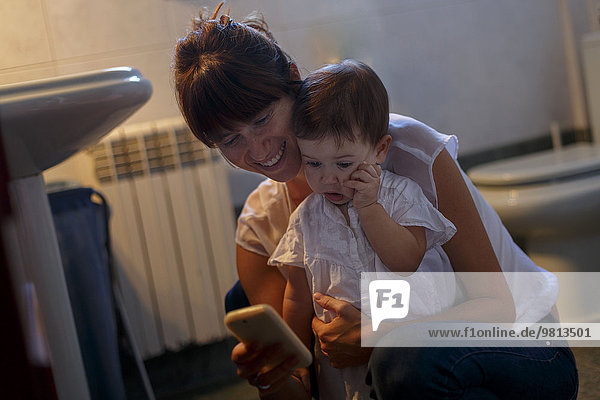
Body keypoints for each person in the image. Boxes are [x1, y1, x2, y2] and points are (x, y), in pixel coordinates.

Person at [172, 5, 578, 399]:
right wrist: (273, 374)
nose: (258, 150)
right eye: (230, 140)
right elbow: (298, 385)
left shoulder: (408, 153)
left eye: (262, 119)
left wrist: (376, 335)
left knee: (402, 361)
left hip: (519, 341)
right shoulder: (262, 225)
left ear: (293, 80)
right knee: (243, 300)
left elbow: (498, 306)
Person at [269, 59, 459, 400]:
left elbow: (406, 260)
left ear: (380, 150)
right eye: (313, 163)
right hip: (341, 365)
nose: (328, 178)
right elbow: (297, 296)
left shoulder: (400, 195)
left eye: (344, 164)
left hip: (412, 351)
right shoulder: (306, 217)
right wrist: (296, 360)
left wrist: (369, 208)